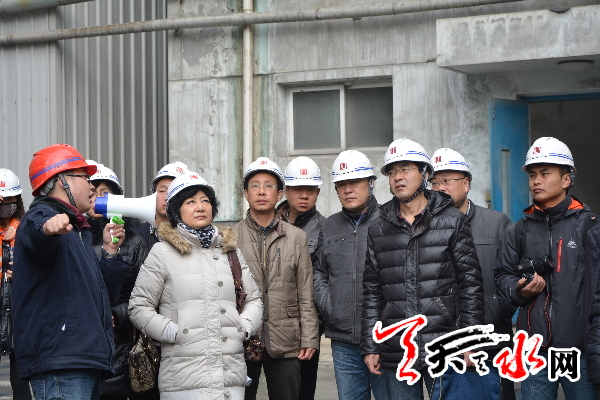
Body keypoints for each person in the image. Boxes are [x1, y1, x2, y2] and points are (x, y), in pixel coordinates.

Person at [361, 138, 484, 400]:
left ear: (425, 173)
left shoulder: (452, 221)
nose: (398, 177)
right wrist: (371, 345)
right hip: (397, 346)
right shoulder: (378, 227)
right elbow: (372, 290)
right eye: (392, 172)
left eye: (405, 169)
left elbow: (470, 285)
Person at [129, 171, 262, 399]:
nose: (200, 207)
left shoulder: (230, 251)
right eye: (191, 202)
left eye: (205, 201)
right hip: (183, 379)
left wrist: (244, 326)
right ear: (176, 210)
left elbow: (254, 299)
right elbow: (138, 306)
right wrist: (171, 332)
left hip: (230, 376)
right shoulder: (162, 252)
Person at [12, 144, 128, 400]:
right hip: (62, 362)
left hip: (80, 360)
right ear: (61, 180)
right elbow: (36, 234)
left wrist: (110, 252)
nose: (91, 187)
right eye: (85, 178)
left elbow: (102, 296)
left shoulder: (77, 231)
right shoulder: (40, 216)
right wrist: (48, 228)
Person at [496, 137, 596, 400]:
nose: (536, 181)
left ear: (566, 179)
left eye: (544, 173)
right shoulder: (519, 230)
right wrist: (520, 291)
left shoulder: (589, 227)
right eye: (532, 175)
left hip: (577, 350)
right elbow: (503, 276)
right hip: (535, 351)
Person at [429, 148, 514, 400]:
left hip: (491, 336)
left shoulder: (497, 223)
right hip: (443, 338)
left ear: (466, 184)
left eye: (447, 180)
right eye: (435, 182)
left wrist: (497, 309)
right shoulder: (424, 227)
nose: (440, 188)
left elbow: (510, 275)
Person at [234, 157, 319, 400]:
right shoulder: (230, 237)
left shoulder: (297, 237)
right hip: (243, 338)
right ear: (245, 194)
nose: (261, 191)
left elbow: (305, 292)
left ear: (280, 193)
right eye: (255, 185)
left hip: (286, 338)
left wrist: (309, 337)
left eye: (269, 185)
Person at [313, 150, 388, 400]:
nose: (347, 190)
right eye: (341, 184)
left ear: (371, 183)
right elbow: (319, 271)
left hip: (384, 337)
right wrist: (331, 307)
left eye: (354, 182)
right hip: (343, 339)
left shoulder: (389, 220)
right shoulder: (329, 225)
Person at [85, 161, 150, 400]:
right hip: (84, 343)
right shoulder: (75, 236)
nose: (98, 199)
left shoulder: (134, 241)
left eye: (105, 193)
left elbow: (145, 293)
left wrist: (118, 314)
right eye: (93, 192)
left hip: (122, 346)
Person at [276, 156, 326, 400]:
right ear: (285, 190)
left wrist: (316, 326)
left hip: (307, 325)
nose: (304, 195)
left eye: (310, 190)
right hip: (274, 324)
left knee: (304, 391)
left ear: (318, 192)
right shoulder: (269, 224)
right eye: (298, 189)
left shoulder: (326, 229)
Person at [0, 168, 32, 400]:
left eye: (9, 200)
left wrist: (21, 274)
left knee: (20, 381)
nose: (4, 206)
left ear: (18, 200)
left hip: (19, 308)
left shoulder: (27, 228)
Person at [134, 162, 189, 249]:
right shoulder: (135, 234)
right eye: (163, 191)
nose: (167, 197)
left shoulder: (195, 237)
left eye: (175, 192)